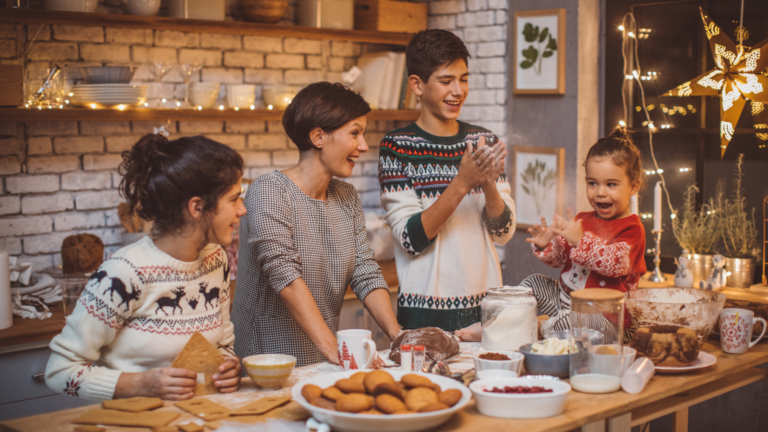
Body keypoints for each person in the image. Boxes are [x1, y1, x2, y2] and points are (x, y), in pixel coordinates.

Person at [45, 135, 245, 401]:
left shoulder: (215, 259)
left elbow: (223, 344)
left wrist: (228, 366)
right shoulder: (123, 273)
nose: (242, 209)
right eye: (234, 199)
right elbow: (59, 372)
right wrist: (141, 384)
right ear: (197, 207)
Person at [232, 82, 401, 367]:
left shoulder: (346, 197)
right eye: (355, 133)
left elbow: (365, 272)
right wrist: (335, 349)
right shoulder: (269, 191)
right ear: (318, 137)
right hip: (266, 361)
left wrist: (398, 337)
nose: (363, 146)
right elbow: (284, 276)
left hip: (323, 358)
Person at [379, 29, 515, 332]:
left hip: (487, 312)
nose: (458, 91)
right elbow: (411, 240)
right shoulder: (397, 147)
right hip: (425, 318)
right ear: (417, 84)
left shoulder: (483, 141)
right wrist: (462, 183)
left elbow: (503, 232)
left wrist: (489, 184)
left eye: (463, 79)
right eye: (446, 81)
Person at [524, 127, 647, 335]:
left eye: (611, 184)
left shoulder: (632, 229)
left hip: (606, 318)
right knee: (533, 283)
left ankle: (527, 329)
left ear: (633, 187)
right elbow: (563, 259)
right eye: (593, 183)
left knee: (573, 321)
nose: (600, 192)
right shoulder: (582, 220)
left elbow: (615, 264)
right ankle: (497, 323)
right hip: (565, 301)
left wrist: (581, 241)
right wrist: (546, 244)